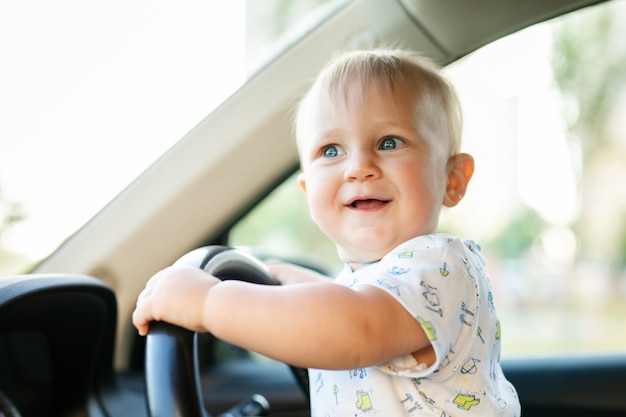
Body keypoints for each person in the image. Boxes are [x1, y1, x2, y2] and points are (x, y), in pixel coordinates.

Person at [133, 48, 520, 416]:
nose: (359, 167)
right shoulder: (376, 281)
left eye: (389, 143)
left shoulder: (441, 265)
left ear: (452, 179)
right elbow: (356, 303)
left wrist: (208, 302)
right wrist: (299, 282)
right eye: (332, 151)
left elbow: (358, 327)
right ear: (307, 191)